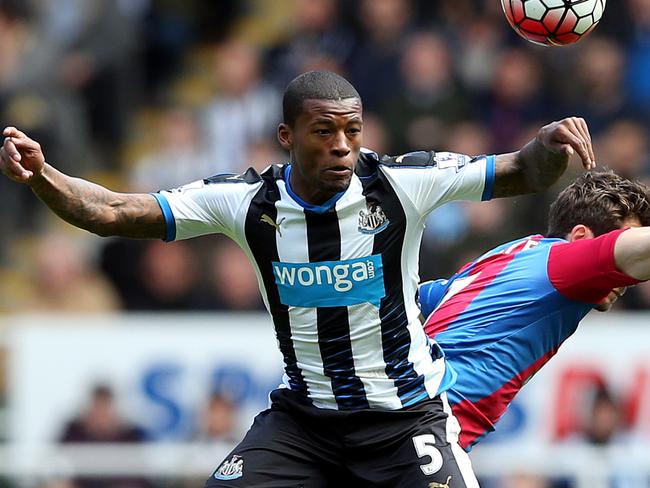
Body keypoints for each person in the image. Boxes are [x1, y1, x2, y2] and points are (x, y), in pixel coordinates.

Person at [1, 70, 596, 487]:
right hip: (304, 423)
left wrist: (546, 145)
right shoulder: (243, 201)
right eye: (324, 132)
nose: (342, 146)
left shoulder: (400, 184)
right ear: (287, 137)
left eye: (352, 131)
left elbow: (521, 172)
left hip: (404, 419)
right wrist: (43, 176)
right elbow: (111, 212)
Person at [418, 171, 650, 452]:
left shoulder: (509, 255)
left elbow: (415, 297)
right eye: (626, 243)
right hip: (426, 424)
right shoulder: (566, 263)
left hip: (403, 413)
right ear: (580, 237)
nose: (628, 280)